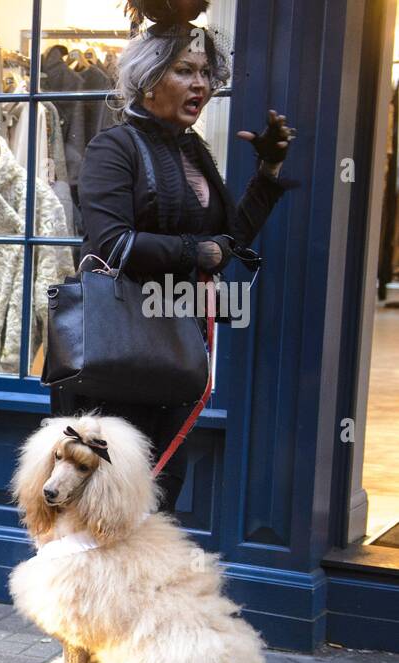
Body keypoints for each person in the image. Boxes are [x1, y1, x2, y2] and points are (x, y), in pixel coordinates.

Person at [52, 15, 293, 513]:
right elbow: (112, 242)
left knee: (155, 508)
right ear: (148, 79)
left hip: (175, 351)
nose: (200, 84)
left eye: (206, 72)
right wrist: (190, 251)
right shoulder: (112, 148)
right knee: (94, 512)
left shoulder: (194, 151)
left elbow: (228, 241)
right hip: (114, 357)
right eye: (185, 70)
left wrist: (267, 172)